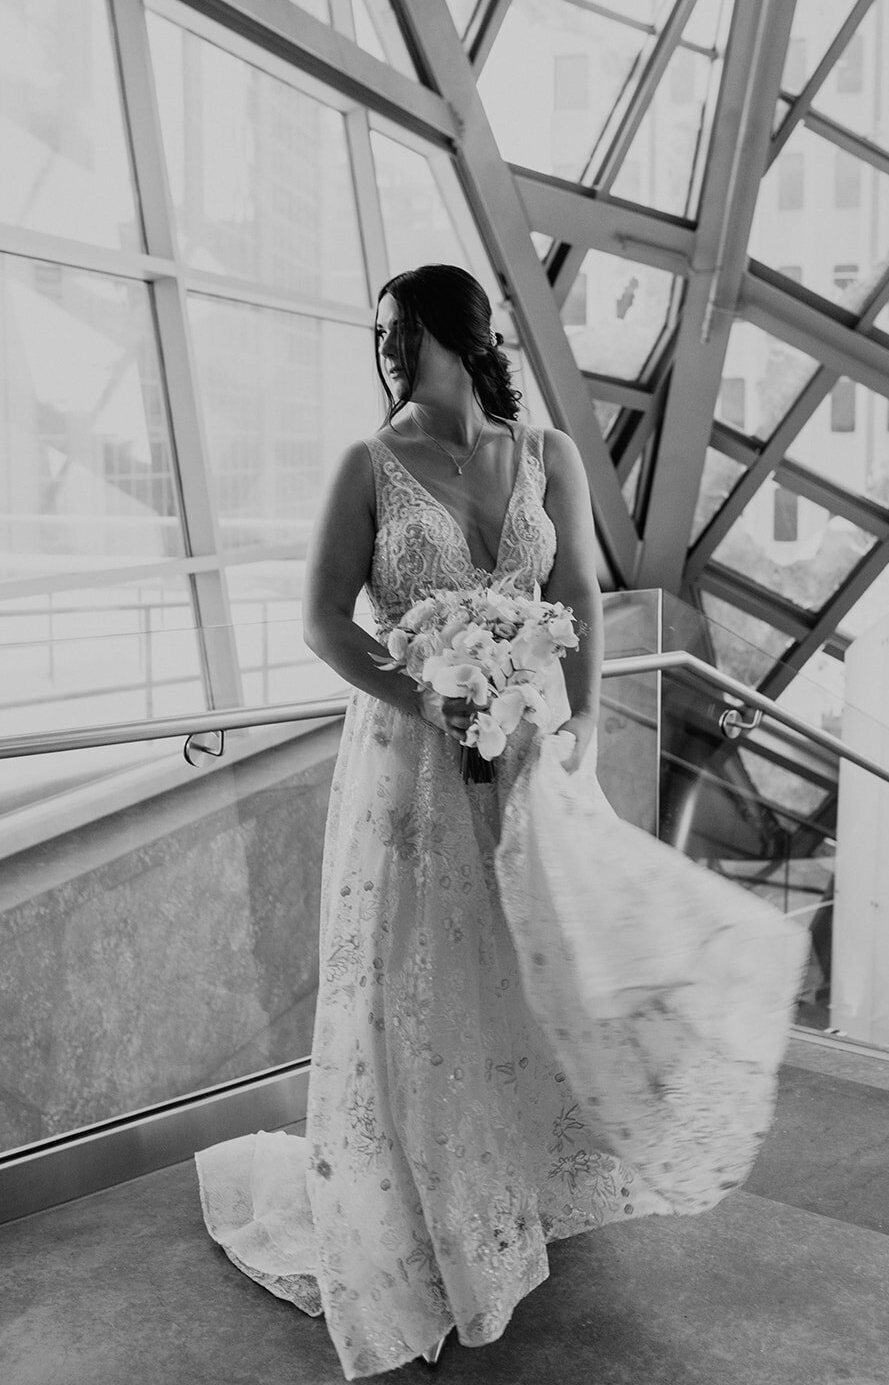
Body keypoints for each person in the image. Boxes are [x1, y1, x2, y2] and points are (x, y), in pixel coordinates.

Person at [195, 264, 805, 1380]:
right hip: (408, 767)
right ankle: (424, 1213)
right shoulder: (366, 466)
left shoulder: (548, 457)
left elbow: (574, 590)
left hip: (527, 754)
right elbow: (326, 623)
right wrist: (428, 696)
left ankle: (504, 1180)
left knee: (525, 966)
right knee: (423, 975)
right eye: (376, 331)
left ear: (459, 333)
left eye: (403, 328)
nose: (385, 348)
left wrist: (566, 728)